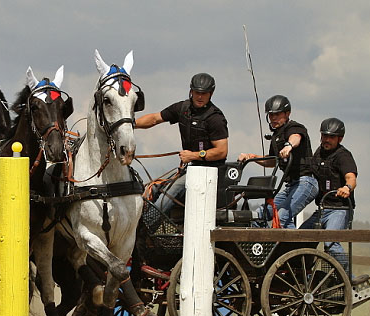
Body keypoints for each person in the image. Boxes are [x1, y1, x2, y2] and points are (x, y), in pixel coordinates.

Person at [135, 72, 228, 214]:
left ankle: (148, 225)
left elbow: (221, 151)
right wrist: (130, 124)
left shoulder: (215, 118)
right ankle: (139, 223)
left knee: (170, 192)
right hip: (190, 169)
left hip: (209, 172)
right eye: (197, 92)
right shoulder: (183, 108)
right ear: (191, 91)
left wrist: (194, 156)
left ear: (211, 94)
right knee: (153, 188)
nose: (200, 97)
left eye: (204, 93)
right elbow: (154, 118)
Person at [238, 95, 318, 228]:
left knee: (282, 217)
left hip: (305, 182)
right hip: (290, 186)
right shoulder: (276, 137)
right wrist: (251, 156)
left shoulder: (295, 128)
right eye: (270, 115)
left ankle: (291, 248)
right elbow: (271, 162)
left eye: (277, 114)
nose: (273, 118)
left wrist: (289, 146)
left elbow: (296, 138)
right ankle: (265, 246)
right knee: (258, 215)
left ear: (287, 114)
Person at [300, 117, 360, 277]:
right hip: (322, 209)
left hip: (339, 209)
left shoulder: (343, 156)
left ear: (340, 138)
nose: (326, 140)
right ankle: (303, 277)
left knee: (331, 242)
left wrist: (347, 188)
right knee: (298, 238)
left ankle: (349, 280)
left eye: (331, 137)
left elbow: (351, 178)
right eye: (324, 136)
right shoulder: (318, 153)